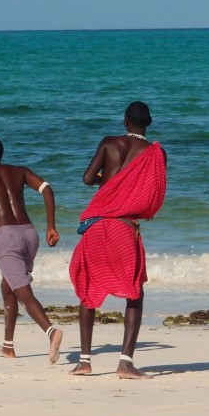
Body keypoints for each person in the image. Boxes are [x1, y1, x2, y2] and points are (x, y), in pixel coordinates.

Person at [69, 101, 167, 379]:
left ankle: (85, 361)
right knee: (134, 292)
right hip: (124, 228)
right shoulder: (156, 154)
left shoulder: (109, 143)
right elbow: (153, 196)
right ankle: (125, 362)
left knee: (89, 289)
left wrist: (106, 181)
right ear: (149, 123)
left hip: (96, 225)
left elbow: (88, 178)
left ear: (126, 121)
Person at [0, 135, 63, 364]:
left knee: (23, 293)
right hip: (30, 234)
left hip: (7, 238)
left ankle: (51, 332)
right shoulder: (20, 171)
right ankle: (8, 347)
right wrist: (51, 226)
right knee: (8, 287)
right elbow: (47, 189)